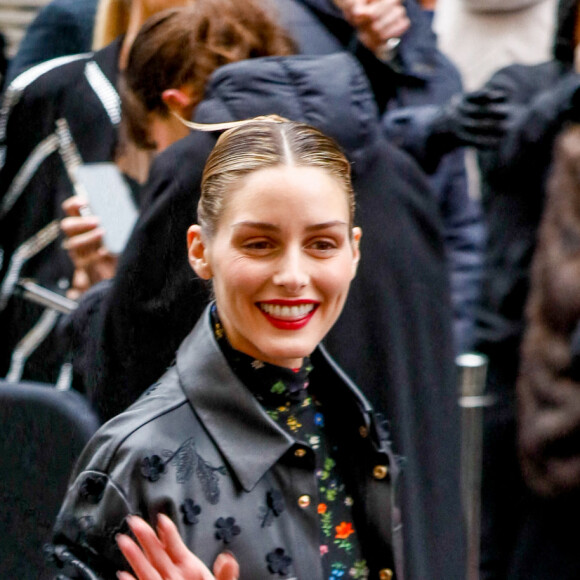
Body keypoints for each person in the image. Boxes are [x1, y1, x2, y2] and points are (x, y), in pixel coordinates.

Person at [49, 118, 403, 580]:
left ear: (353, 253)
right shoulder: (139, 463)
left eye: (322, 243)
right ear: (200, 250)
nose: (293, 275)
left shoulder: (349, 419)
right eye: (259, 244)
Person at [0, 0, 293, 386]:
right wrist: (108, 282)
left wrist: (107, 291)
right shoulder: (70, 95)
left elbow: (141, 354)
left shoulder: (219, 153)